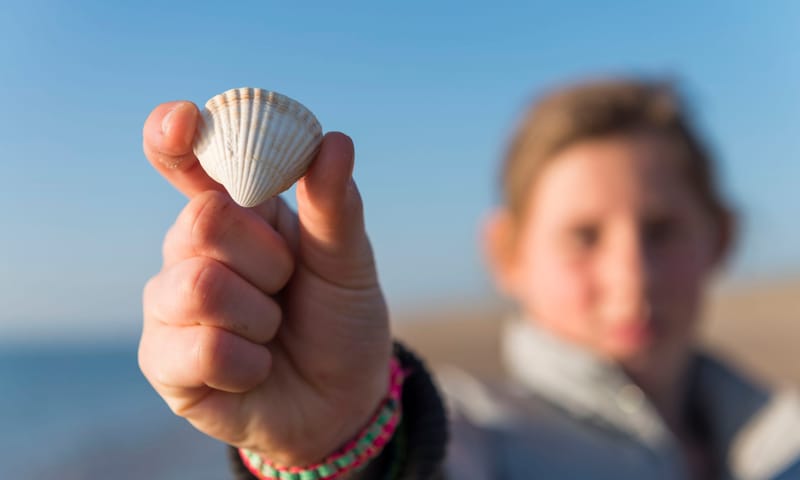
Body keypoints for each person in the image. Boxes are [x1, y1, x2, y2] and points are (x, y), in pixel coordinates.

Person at [138, 78, 800, 479]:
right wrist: (337, 445)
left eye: (661, 231)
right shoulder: (473, 433)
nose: (631, 278)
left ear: (721, 238)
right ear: (506, 255)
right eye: (582, 237)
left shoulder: (785, 433)